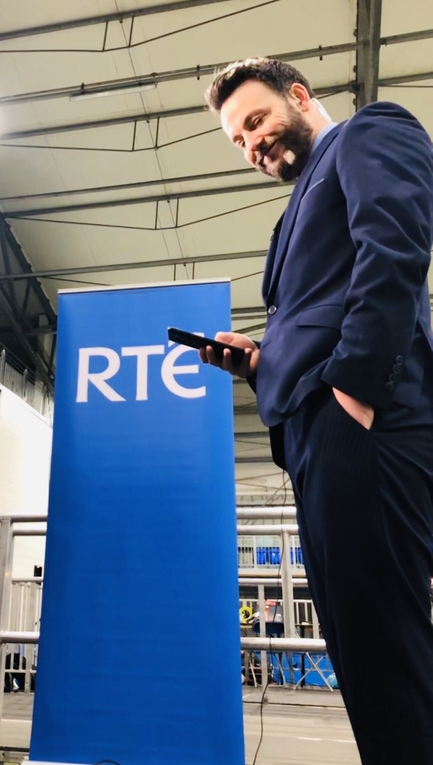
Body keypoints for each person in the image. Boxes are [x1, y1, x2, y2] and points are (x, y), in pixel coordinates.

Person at [202, 58, 433, 765]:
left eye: (256, 121)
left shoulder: (369, 133)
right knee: (361, 649)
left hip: (366, 420)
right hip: (312, 432)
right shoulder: (290, 217)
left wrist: (353, 394)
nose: (252, 145)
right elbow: (313, 319)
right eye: (238, 141)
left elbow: (394, 248)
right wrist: (257, 364)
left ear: (298, 96)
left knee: (383, 645)